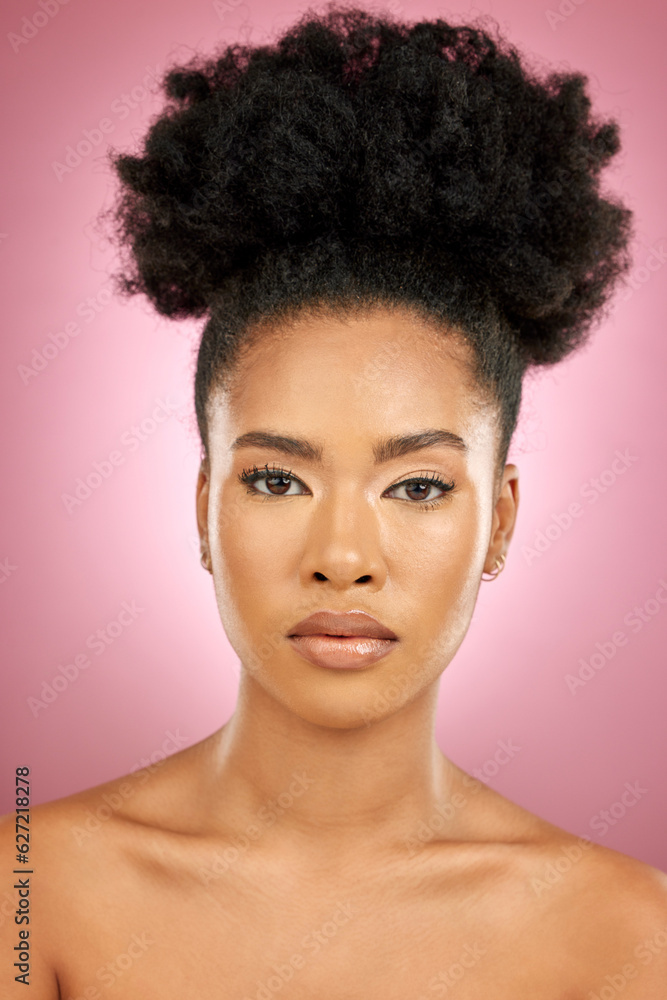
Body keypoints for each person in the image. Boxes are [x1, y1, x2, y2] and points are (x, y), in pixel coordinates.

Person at [2, 5, 666, 997]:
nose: (342, 554)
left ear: (499, 521)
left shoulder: (628, 938)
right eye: (277, 478)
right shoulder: (31, 894)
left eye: (417, 485)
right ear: (201, 510)